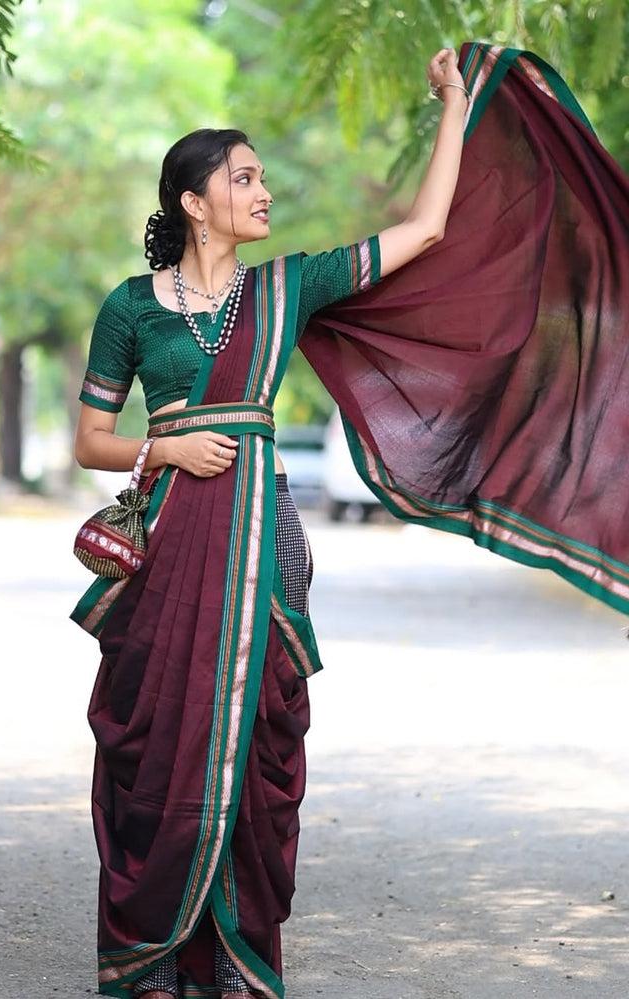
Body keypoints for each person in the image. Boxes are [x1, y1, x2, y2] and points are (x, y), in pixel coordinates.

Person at [73, 41, 629, 999]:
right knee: (156, 734)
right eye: (243, 178)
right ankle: (156, 954)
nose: (263, 191)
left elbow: (424, 227)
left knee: (257, 728)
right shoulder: (131, 308)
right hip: (166, 536)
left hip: (264, 537)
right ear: (192, 203)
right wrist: (161, 448)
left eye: (262, 178)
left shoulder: (287, 288)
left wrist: (456, 104)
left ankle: (240, 956)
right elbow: (89, 438)